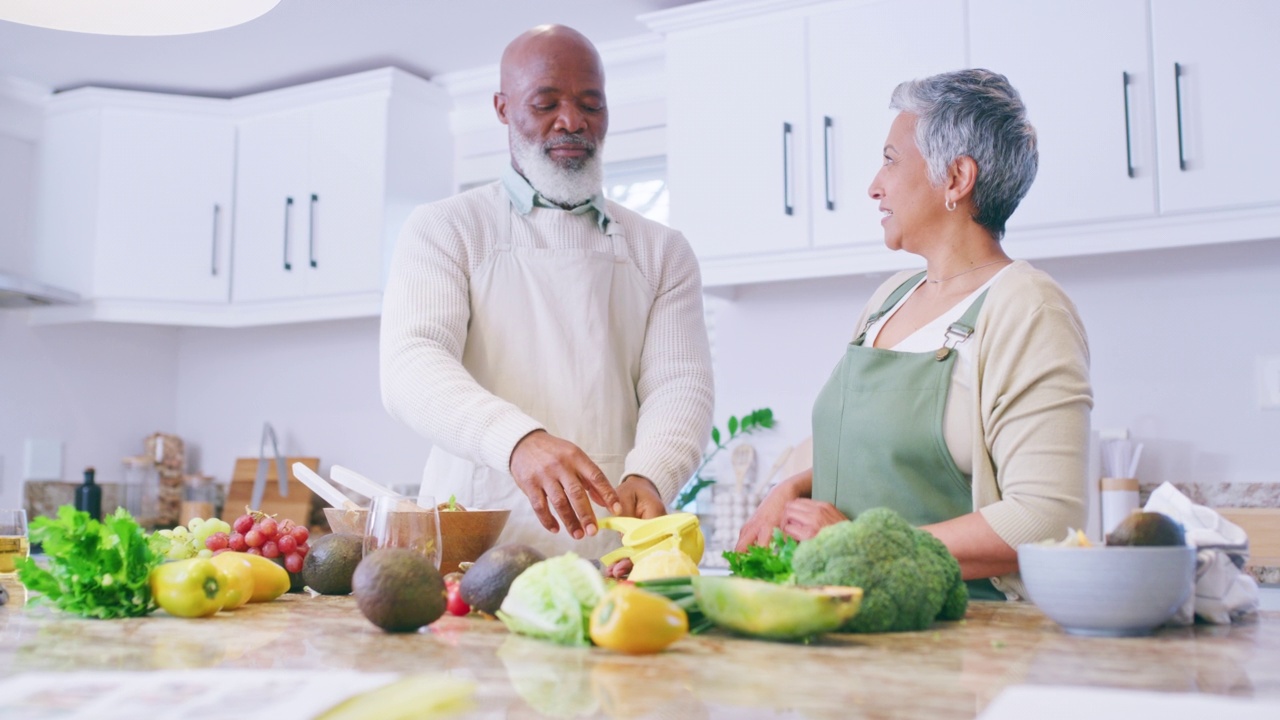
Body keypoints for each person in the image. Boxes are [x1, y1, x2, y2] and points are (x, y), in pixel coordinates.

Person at [736, 69, 1092, 600]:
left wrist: (869, 549)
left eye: (890, 159)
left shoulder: (1027, 308)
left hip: (961, 638)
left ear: (956, 179)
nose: (873, 185)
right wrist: (790, 486)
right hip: (846, 623)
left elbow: (1044, 521)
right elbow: (877, 454)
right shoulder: (890, 298)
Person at [380, 25, 714, 559]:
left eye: (591, 104)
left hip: (612, 546)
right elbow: (409, 365)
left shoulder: (663, 250)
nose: (572, 121)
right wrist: (517, 442)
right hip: (471, 547)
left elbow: (679, 385)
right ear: (503, 108)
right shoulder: (445, 227)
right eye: (546, 103)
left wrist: (652, 473)